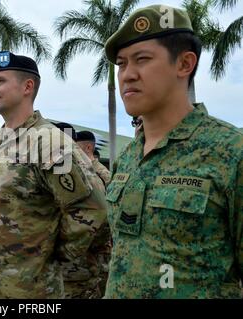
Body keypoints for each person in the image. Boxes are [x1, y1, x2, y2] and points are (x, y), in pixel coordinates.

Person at [103, 4, 243, 298]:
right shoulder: (128, 157)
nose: (127, 75)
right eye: (121, 64)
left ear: (184, 64)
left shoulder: (231, 152)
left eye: (142, 60)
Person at [0, 51, 108, 298]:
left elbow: (92, 209)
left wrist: (49, 254)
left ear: (27, 87)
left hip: (28, 291)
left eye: (0, 81)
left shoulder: (50, 143)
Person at [53, 123, 111, 299]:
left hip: (78, 267)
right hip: (60, 272)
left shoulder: (89, 174)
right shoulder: (55, 170)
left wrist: (60, 252)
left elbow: (100, 214)